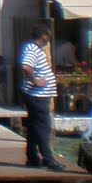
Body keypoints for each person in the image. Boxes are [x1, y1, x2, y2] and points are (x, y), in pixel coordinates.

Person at [19, 24, 66, 170]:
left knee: (34, 126)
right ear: (44, 35)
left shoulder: (32, 48)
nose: (49, 39)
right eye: (48, 36)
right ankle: (48, 158)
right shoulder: (33, 49)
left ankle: (32, 157)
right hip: (37, 95)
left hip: (37, 95)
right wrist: (35, 81)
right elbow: (26, 66)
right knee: (43, 127)